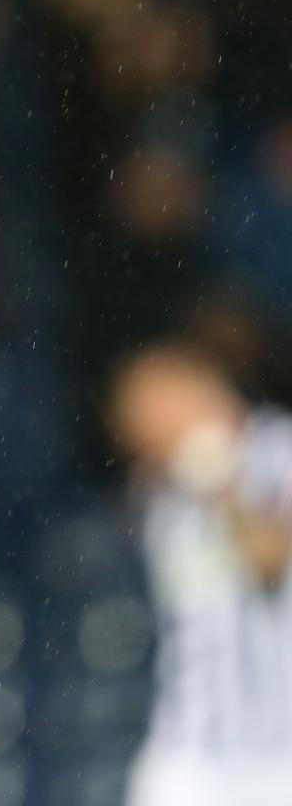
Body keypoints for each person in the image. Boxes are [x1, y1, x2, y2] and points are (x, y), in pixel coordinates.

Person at [109, 343, 292, 806]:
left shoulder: (280, 448)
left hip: (280, 752)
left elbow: (269, 562)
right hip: (189, 750)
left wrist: (221, 480)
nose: (149, 434)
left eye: (156, 409)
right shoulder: (159, 492)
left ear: (200, 384)